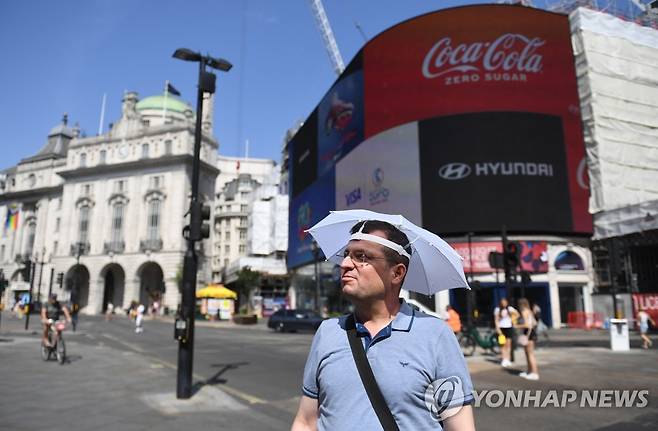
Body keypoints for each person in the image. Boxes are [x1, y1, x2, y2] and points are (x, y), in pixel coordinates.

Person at [292, 220, 475, 431]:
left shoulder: (436, 335)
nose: (345, 264)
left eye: (361, 257)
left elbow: (460, 427)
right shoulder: (328, 332)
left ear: (397, 273)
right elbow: (306, 421)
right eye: (347, 255)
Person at [515, 298, 539, 380]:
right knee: (528, 353)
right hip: (531, 333)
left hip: (527, 334)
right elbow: (534, 323)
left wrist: (516, 326)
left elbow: (526, 324)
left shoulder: (524, 312)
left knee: (529, 354)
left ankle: (534, 373)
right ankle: (529, 371)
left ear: (521, 305)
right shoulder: (530, 311)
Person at [494, 297, 519, 368]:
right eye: (502, 302)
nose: (503, 304)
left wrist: (512, 319)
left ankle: (507, 359)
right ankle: (504, 359)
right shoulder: (497, 309)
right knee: (502, 344)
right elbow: (496, 320)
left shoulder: (510, 309)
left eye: (505, 302)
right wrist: (497, 328)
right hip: (501, 328)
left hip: (509, 328)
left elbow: (517, 314)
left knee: (508, 344)